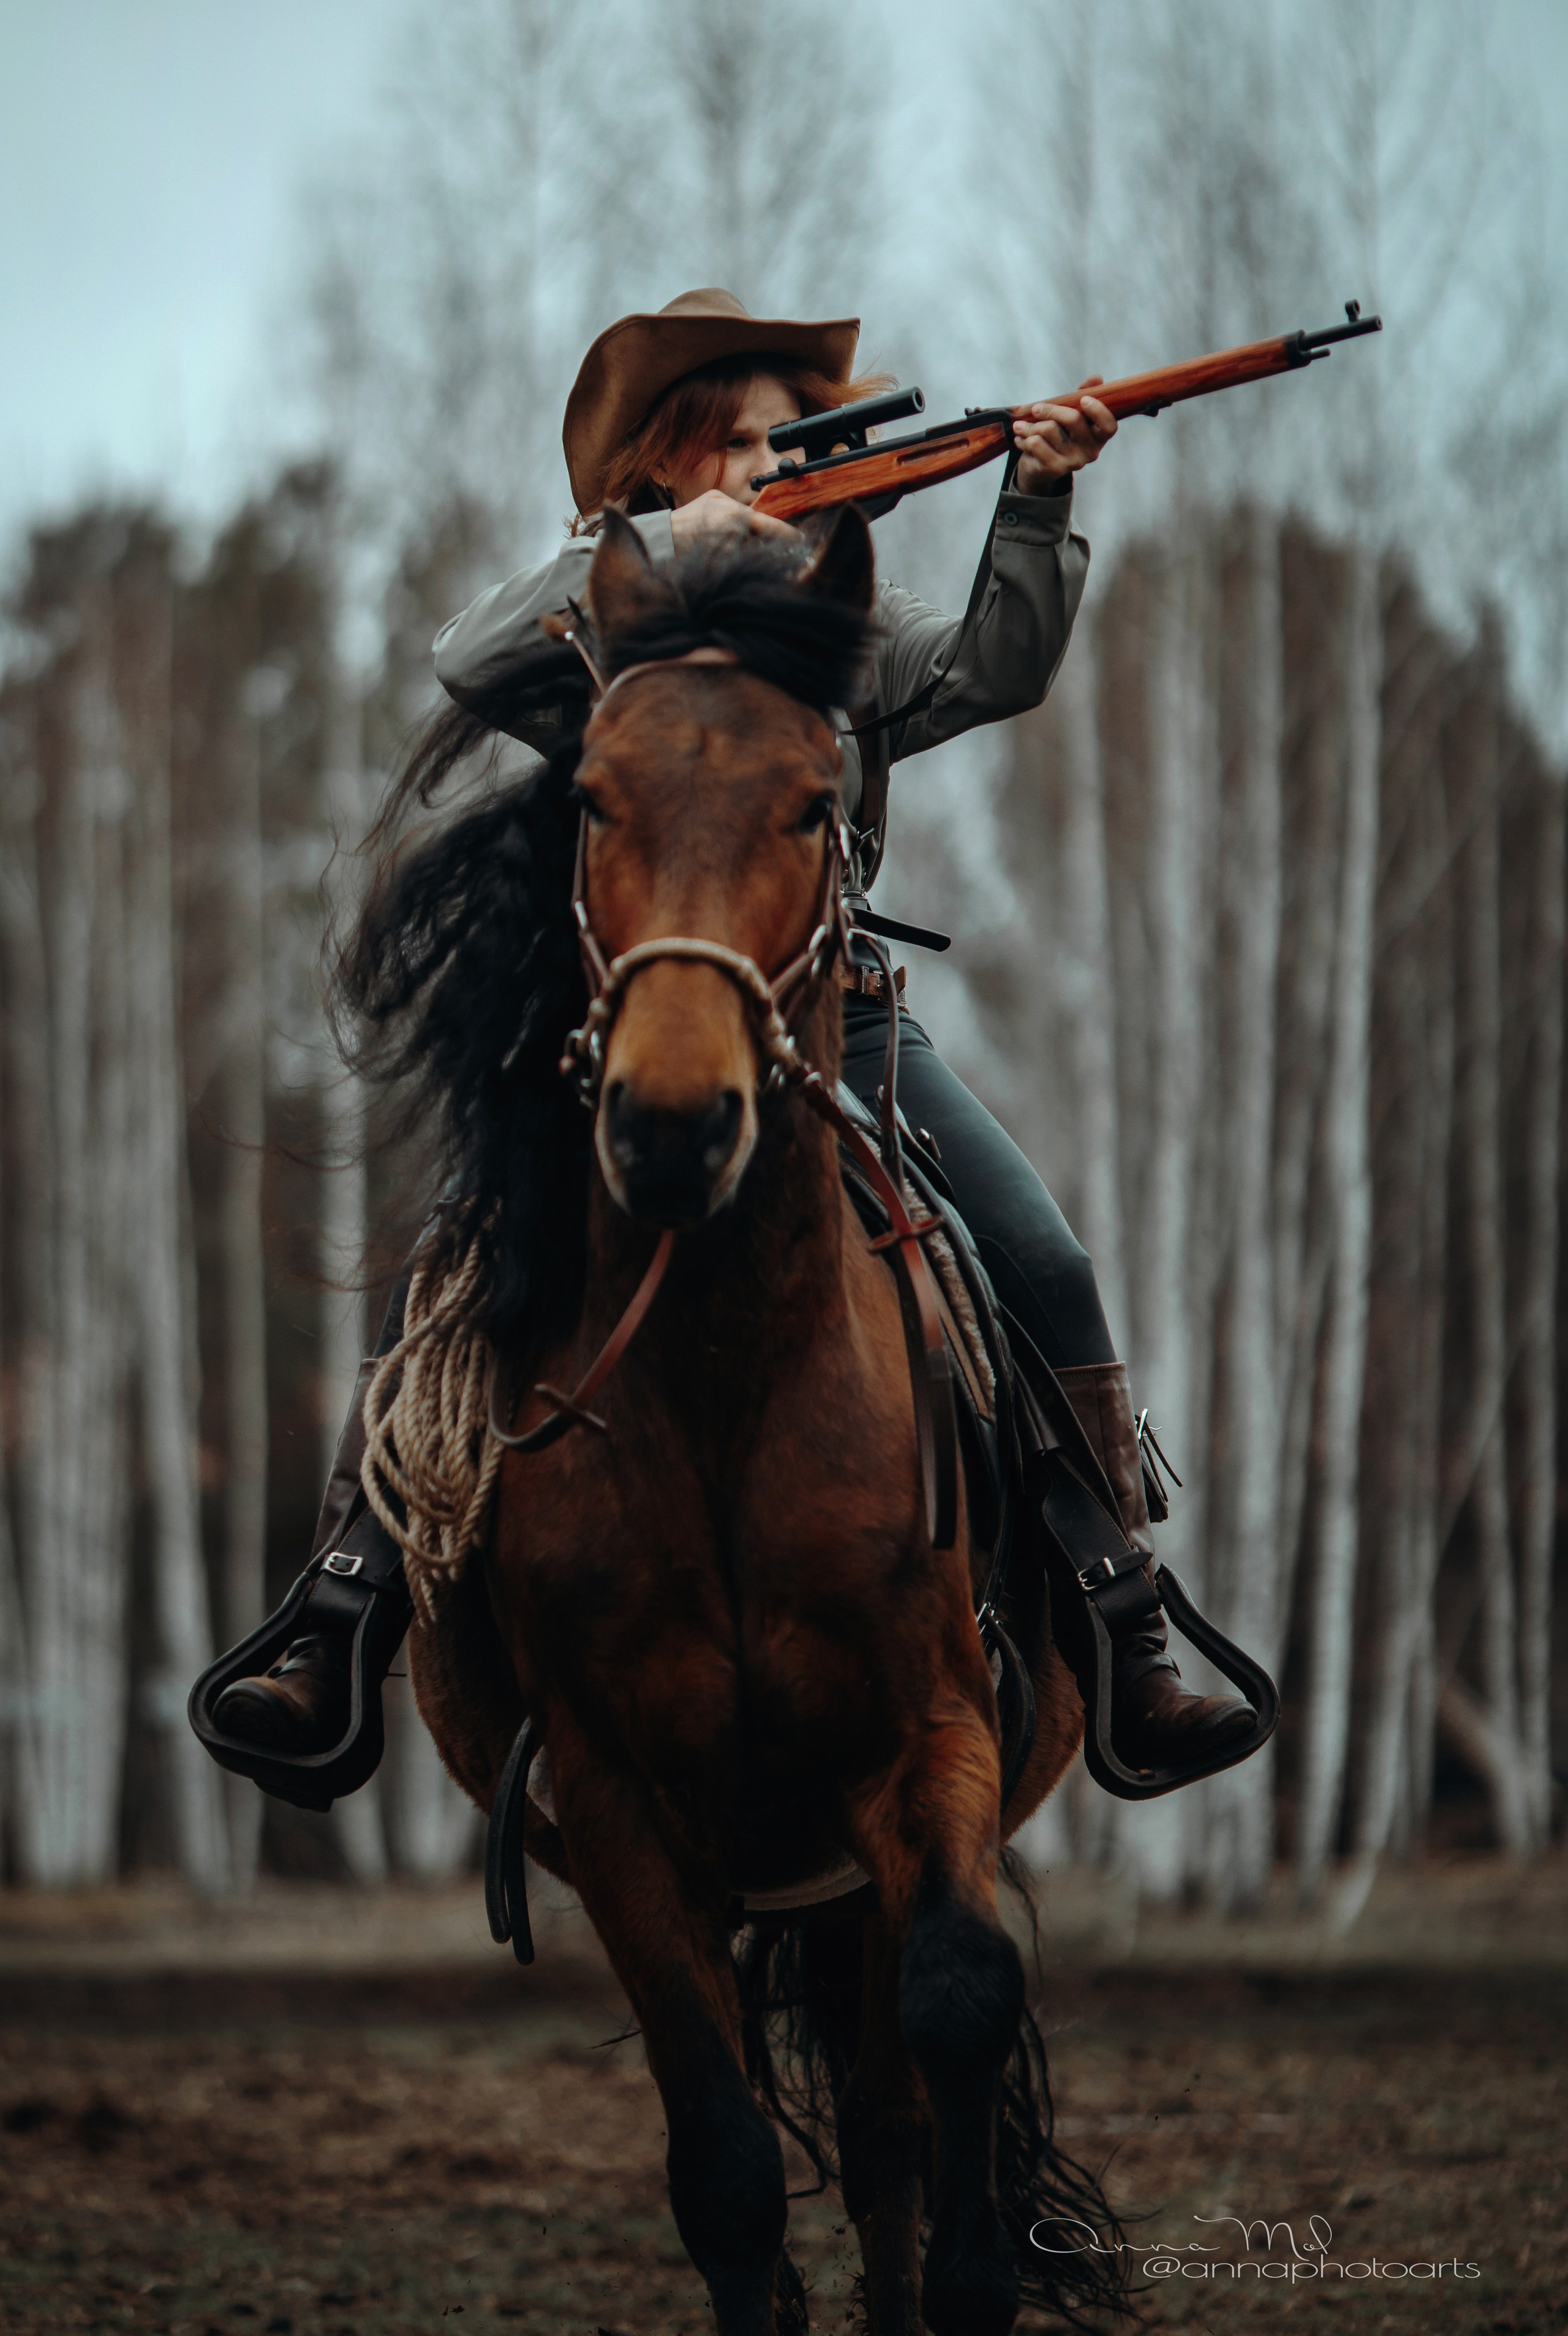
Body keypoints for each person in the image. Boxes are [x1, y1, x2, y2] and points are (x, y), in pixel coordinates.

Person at [213, 288, 1253, 1779]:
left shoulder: (843, 628)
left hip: (841, 1030)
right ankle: (339, 1610)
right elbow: (461, 657)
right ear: (668, 467)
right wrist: (659, 549)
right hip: (618, 1039)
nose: (791, 462)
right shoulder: (596, 628)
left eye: (803, 440)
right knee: (456, 1267)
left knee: (1041, 1259)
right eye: (759, 442)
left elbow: (990, 667)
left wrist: (1036, 492)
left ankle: (1127, 1626)